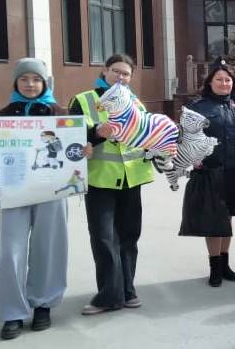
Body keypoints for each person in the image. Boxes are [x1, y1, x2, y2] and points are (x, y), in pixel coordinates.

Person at [0, 58, 69, 339]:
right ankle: (12, 312)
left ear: (45, 82)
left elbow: (73, 147)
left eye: (36, 79)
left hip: (51, 190)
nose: (30, 84)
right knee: (11, 250)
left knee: (49, 245)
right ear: (15, 82)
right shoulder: (1, 116)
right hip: (13, 192)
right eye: (24, 79)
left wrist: (83, 151)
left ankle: (43, 303)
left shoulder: (60, 114)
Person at [69, 54, 155, 315]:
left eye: (126, 74)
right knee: (105, 240)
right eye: (116, 71)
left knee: (129, 238)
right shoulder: (83, 100)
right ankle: (109, 296)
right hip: (100, 179)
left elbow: (146, 136)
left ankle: (128, 291)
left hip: (131, 179)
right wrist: (96, 133)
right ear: (104, 71)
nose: (121, 77)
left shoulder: (137, 103)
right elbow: (72, 138)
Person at [179, 58, 235, 287]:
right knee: (214, 220)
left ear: (233, 82)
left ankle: (225, 264)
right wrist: (193, 158)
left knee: (227, 218)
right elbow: (184, 138)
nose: (224, 83)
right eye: (219, 79)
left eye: (228, 80)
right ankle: (215, 267)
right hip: (209, 172)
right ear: (210, 82)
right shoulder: (197, 108)